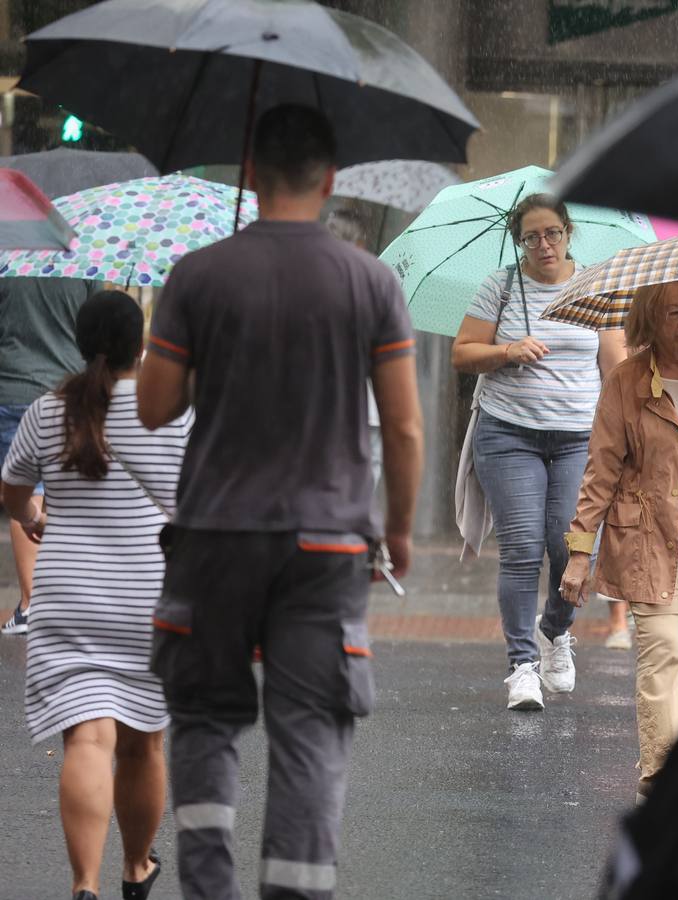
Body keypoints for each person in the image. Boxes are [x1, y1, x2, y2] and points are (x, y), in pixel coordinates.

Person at [137, 104, 423, 900]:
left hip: (214, 536)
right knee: (309, 733)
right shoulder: (369, 280)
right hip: (327, 541)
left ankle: (208, 888)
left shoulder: (200, 274)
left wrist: (214, 354)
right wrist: (397, 528)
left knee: (204, 719)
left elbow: (154, 406)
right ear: (331, 182)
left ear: (250, 174)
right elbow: (402, 425)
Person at [2, 290, 189, 900]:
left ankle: (85, 885)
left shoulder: (48, 410)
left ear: (80, 343)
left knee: (87, 738)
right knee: (144, 742)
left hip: (68, 598)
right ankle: (137, 868)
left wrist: (32, 514)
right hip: (150, 597)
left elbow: (11, 491)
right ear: (143, 344)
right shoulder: (178, 410)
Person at [560, 279, 678, 800]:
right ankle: (662, 778)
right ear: (650, 317)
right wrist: (580, 553)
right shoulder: (625, 381)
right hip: (648, 541)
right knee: (663, 655)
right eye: (674, 312)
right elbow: (599, 470)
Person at [451, 193, 626, 709]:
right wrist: (507, 350)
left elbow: (614, 368)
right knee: (524, 549)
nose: (543, 244)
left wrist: (630, 431)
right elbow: (463, 353)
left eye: (552, 233)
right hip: (509, 436)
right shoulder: (500, 287)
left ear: (568, 232)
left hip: (579, 439)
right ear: (519, 241)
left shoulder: (597, 286)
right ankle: (522, 667)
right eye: (531, 237)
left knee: (571, 547)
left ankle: (555, 632)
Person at [0, 276, 101, 635]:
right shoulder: (84, 264)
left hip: (14, 386)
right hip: (70, 389)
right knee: (70, 490)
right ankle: (68, 600)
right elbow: (94, 329)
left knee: (26, 487)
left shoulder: (9, 259)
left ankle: (31, 606)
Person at [324, 206, 384, 490]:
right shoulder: (372, 286)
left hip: (329, 411)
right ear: (359, 244)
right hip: (359, 410)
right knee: (360, 490)